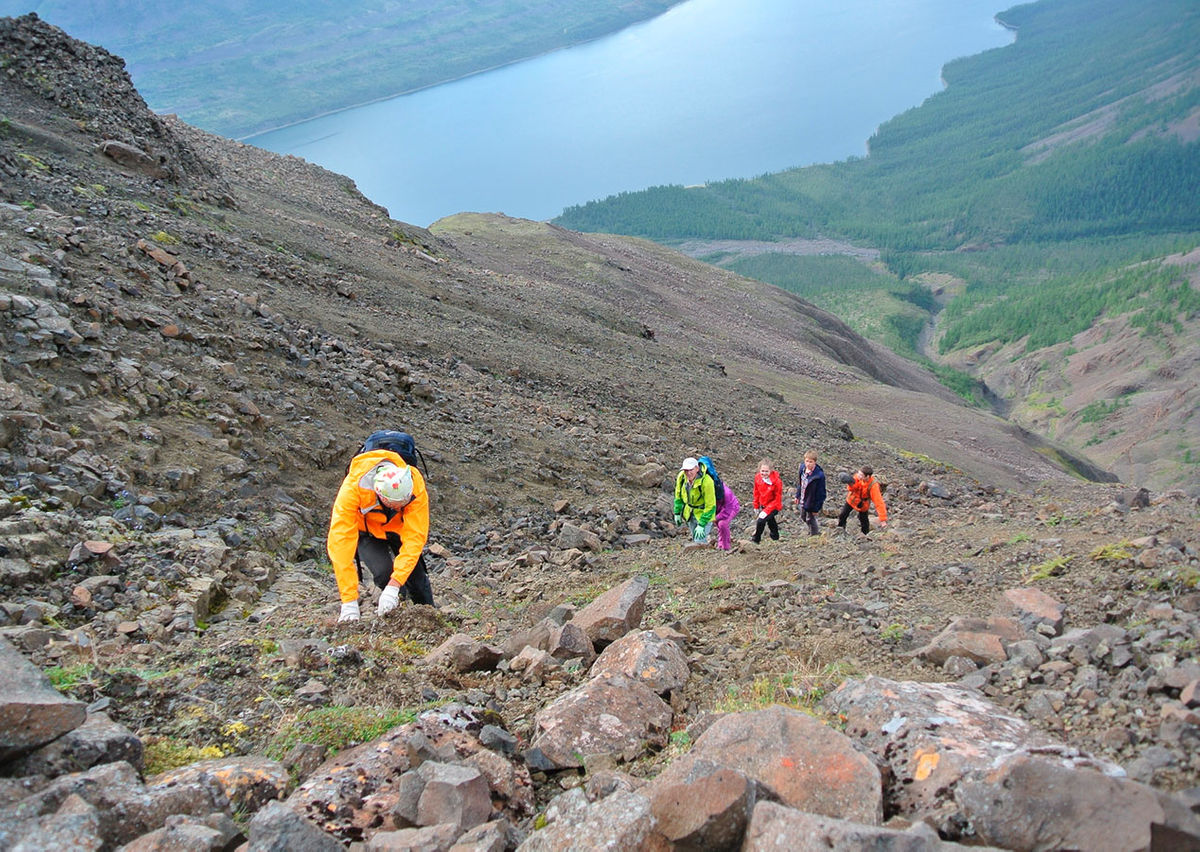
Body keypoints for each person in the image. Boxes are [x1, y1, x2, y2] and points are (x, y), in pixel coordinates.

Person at [327, 447, 433, 622]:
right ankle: (398, 615)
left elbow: (415, 536)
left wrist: (395, 583)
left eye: (403, 505)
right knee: (383, 573)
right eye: (395, 505)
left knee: (417, 578)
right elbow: (340, 543)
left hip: (399, 529)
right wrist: (349, 601)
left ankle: (429, 616)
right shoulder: (352, 489)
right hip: (367, 531)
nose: (400, 508)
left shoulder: (414, 484)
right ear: (380, 495)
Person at [673, 457, 716, 544]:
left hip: (703, 513)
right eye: (686, 470)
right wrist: (677, 512)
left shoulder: (707, 481)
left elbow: (710, 505)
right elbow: (678, 496)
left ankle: (703, 555)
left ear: (697, 468)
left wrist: (702, 524)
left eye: (691, 470)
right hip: (689, 513)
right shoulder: (681, 477)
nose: (688, 473)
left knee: (699, 542)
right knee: (694, 539)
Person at [837, 465, 888, 535]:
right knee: (842, 515)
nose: (858, 475)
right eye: (858, 473)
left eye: (861, 475)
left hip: (863, 504)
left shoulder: (874, 486)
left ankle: (865, 536)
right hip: (852, 499)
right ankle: (839, 531)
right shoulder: (857, 477)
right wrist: (850, 483)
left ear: (867, 477)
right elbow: (852, 489)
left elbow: (879, 502)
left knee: (864, 521)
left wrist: (883, 520)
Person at [793, 450, 827, 536]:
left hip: (811, 500)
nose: (808, 464)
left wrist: (816, 508)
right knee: (803, 516)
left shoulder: (819, 476)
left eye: (811, 462)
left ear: (815, 462)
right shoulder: (802, 469)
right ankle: (811, 530)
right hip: (803, 498)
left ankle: (814, 533)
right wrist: (797, 495)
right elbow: (800, 483)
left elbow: (821, 494)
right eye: (807, 461)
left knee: (810, 518)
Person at [751, 458, 783, 543]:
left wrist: (767, 510)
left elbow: (777, 499)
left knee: (761, 521)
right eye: (762, 471)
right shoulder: (757, 478)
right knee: (771, 521)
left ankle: (756, 539)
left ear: (771, 471)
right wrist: (756, 505)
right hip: (763, 504)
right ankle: (775, 536)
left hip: (774, 506)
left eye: (766, 471)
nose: (764, 473)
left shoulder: (777, 482)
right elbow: (756, 492)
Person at [713, 480, 741, 551]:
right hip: (719, 508)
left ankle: (726, 547)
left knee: (722, 523)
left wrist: (715, 517)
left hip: (732, 507)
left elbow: (726, 511)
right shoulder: (709, 491)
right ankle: (720, 543)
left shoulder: (726, 493)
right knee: (718, 524)